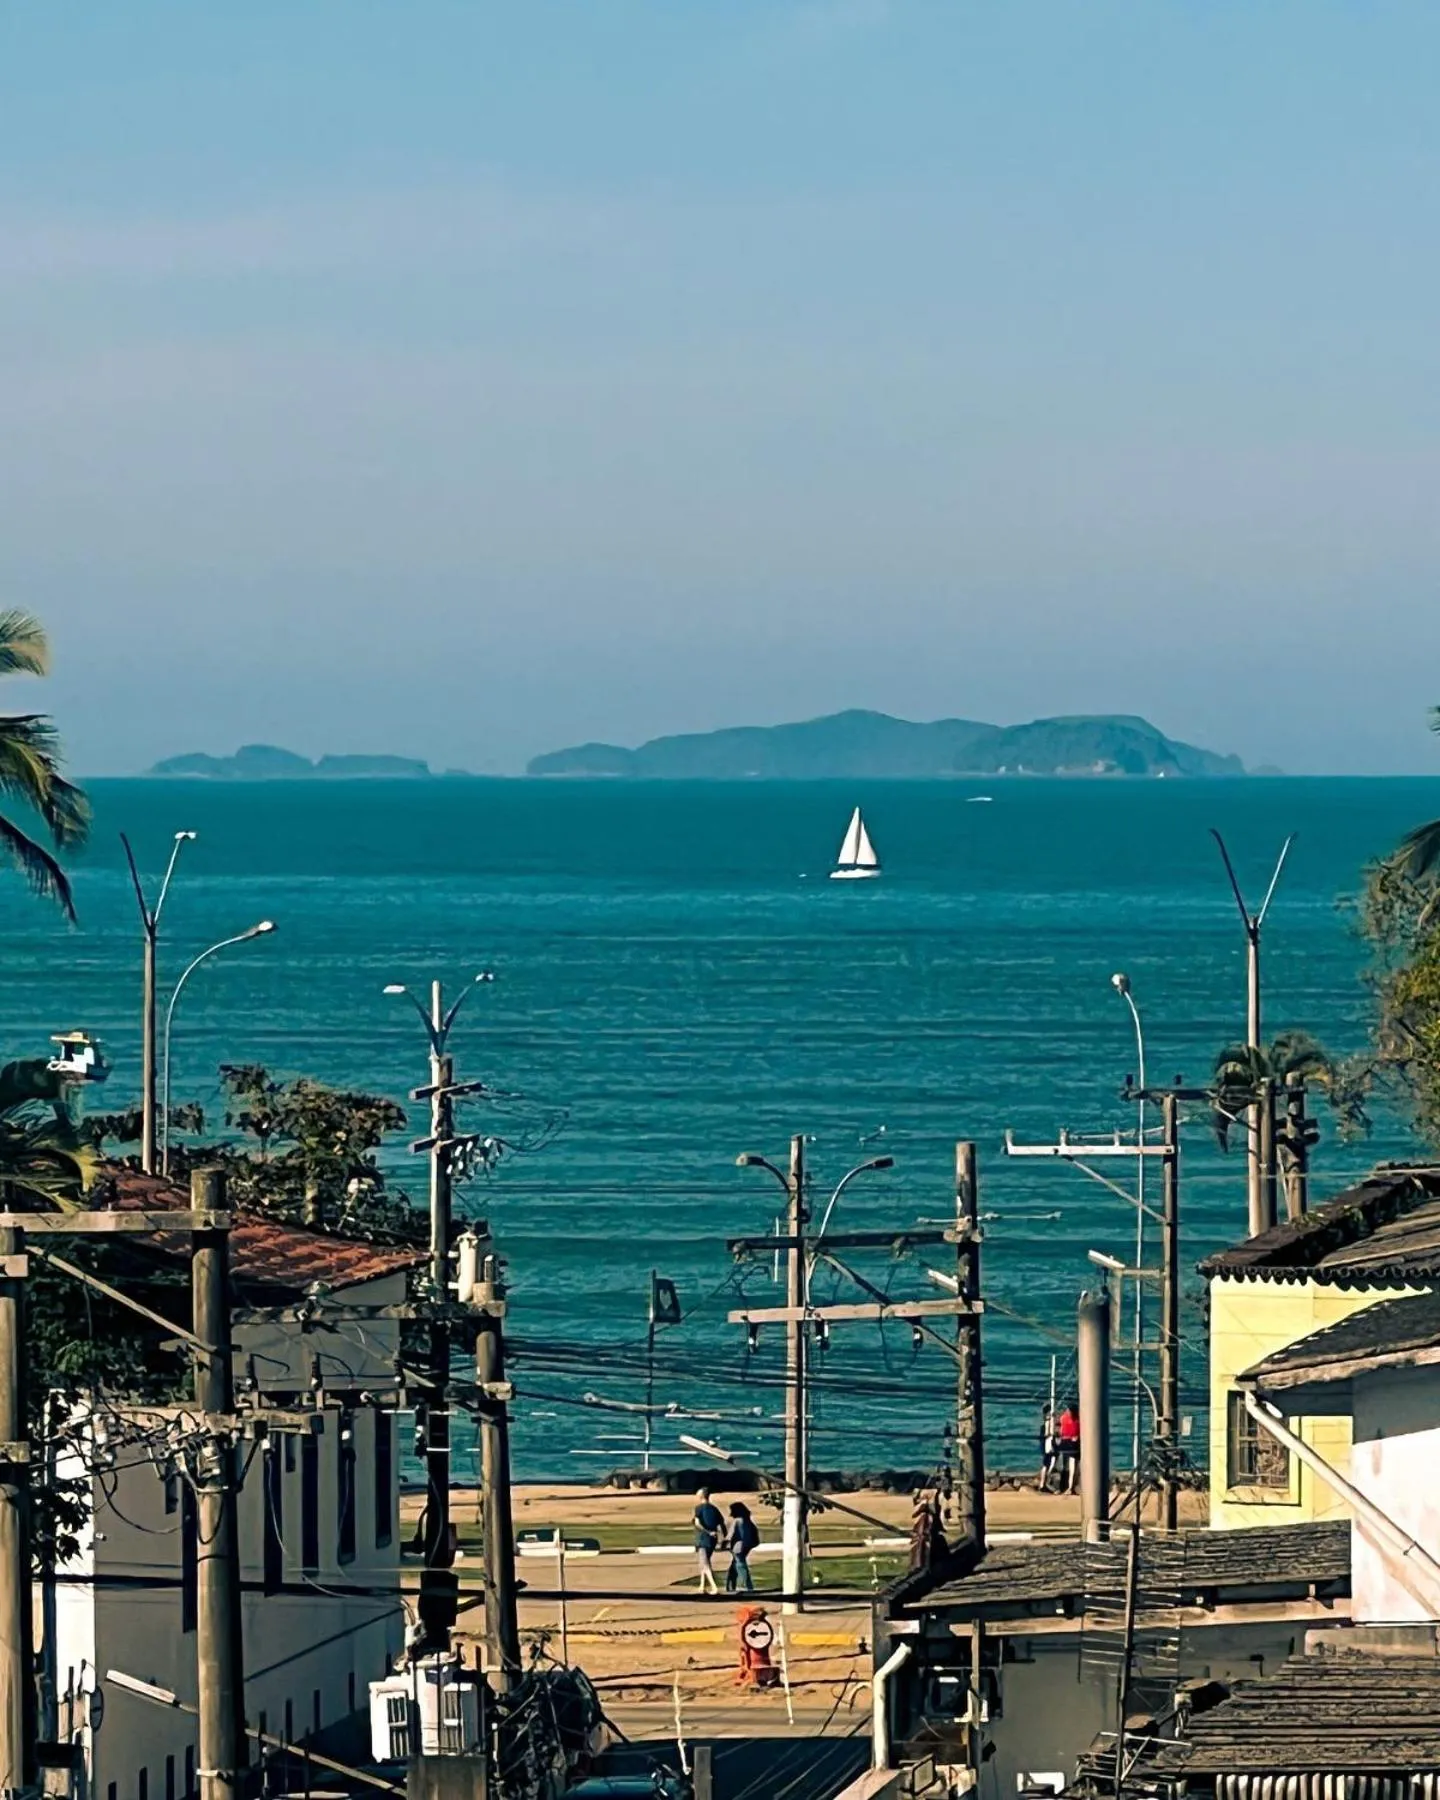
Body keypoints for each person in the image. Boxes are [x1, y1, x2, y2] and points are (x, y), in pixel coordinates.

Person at [693, 1487, 725, 1594]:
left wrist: (708, 1531)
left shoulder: (698, 1508)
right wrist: (723, 1537)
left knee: (705, 1563)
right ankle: (702, 1586)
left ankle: (714, 1586)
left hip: (703, 1538)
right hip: (713, 1539)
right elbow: (721, 1523)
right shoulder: (714, 1509)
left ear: (701, 1495)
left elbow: (698, 1524)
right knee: (704, 1561)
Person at [725, 1501, 759, 1593]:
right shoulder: (747, 1520)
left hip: (738, 1546)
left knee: (740, 1565)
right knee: (735, 1565)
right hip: (747, 1545)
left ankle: (748, 1586)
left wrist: (723, 1544)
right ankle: (731, 1586)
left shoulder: (737, 1521)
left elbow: (730, 1535)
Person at [1057, 1402, 1081, 1495]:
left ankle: (1070, 1487)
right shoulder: (1069, 1418)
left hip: (1070, 1443)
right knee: (1069, 1466)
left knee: (1072, 1466)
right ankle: (1068, 1487)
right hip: (1069, 1443)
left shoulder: (1065, 1418)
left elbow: (1061, 1430)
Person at [1037, 1404, 1058, 1493]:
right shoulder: (1047, 1423)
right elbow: (1047, 1434)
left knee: (1047, 1464)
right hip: (1047, 1445)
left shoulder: (1045, 1423)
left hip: (1046, 1445)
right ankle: (1044, 1483)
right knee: (1047, 1464)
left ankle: (1043, 1483)